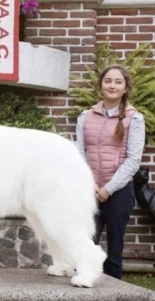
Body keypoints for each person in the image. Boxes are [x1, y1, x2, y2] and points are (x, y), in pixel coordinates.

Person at [76, 64, 145, 279]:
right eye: (108, 81)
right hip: (90, 190)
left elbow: (133, 161)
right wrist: (90, 184)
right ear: (101, 85)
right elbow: (79, 153)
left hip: (119, 191)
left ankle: (115, 289)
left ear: (125, 88)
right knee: (85, 242)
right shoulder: (85, 116)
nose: (112, 85)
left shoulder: (134, 118)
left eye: (118, 82)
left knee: (115, 248)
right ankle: (85, 284)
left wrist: (108, 188)